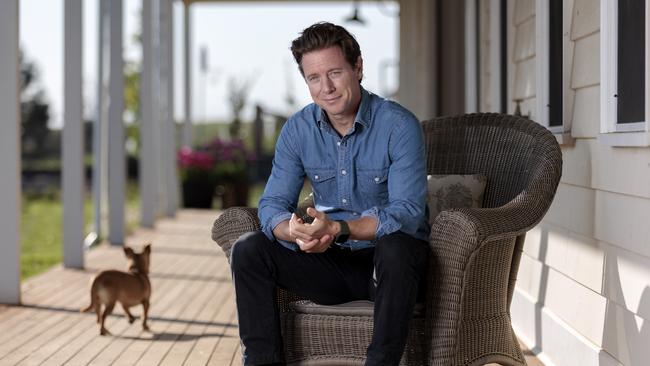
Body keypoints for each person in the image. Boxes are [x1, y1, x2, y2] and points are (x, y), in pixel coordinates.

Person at [230, 22, 430, 366]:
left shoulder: (398, 125)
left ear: (358, 67)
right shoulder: (298, 129)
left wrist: (339, 228)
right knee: (249, 249)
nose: (326, 88)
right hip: (330, 263)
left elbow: (408, 213)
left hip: (389, 269)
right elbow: (273, 205)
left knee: (397, 246)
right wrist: (293, 231)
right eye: (314, 78)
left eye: (335, 73)